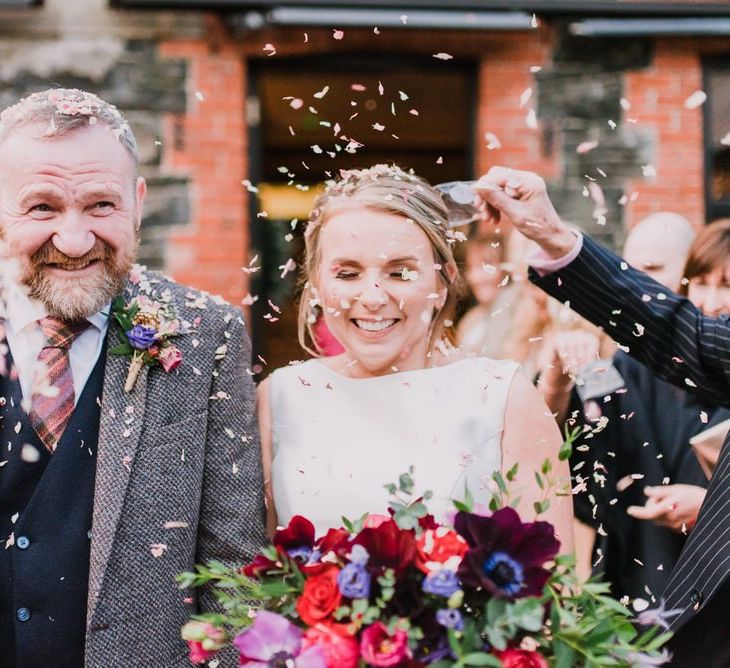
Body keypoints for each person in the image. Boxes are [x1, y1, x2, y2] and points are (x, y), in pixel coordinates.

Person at [0, 89, 267, 667]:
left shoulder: (207, 334)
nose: (74, 241)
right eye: (42, 207)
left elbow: (235, 573)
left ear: (138, 203)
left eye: (101, 205)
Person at [477, 166, 730, 665]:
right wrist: (558, 379)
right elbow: (569, 469)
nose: (709, 299)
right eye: (701, 283)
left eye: (652, 272)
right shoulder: (619, 371)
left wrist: (709, 510)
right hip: (635, 603)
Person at [257, 164, 574, 556]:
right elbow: (252, 582)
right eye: (348, 273)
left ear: (443, 281)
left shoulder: (503, 396)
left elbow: (554, 591)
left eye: (400, 272)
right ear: (318, 283)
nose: (372, 297)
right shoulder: (278, 398)